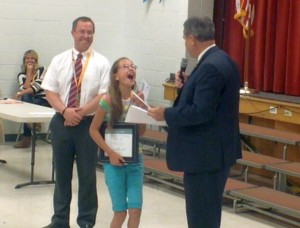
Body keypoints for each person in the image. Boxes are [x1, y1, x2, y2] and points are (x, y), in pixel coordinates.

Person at [148, 16, 242, 228]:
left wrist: (166, 114)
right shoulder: (223, 60)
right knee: (208, 212)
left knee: (201, 216)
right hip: (216, 152)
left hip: (205, 156)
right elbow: (211, 102)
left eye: (184, 39)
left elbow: (202, 111)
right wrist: (187, 88)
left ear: (192, 39)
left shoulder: (209, 67)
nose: (185, 43)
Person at [41, 16, 110, 228]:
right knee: (61, 175)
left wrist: (78, 112)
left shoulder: (102, 62)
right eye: (82, 31)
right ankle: (60, 221)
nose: (86, 36)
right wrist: (64, 110)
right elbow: (50, 90)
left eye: (90, 32)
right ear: (73, 33)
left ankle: (86, 221)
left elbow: (104, 95)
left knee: (87, 176)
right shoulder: (59, 60)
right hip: (62, 122)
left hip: (89, 125)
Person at [89, 57, 146, 228]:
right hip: (113, 162)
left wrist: (140, 109)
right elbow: (93, 130)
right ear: (116, 76)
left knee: (135, 210)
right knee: (120, 212)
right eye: (125, 66)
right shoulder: (107, 100)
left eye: (133, 66)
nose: (131, 69)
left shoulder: (138, 99)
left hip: (135, 160)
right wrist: (111, 153)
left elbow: (141, 132)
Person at [13, 49, 50, 148]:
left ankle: (26, 138)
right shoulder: (21, 75)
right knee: (27, 98)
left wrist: (19, 93)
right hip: (31, 101)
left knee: (26, 102)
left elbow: (36, 88)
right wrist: (29, 74)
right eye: (27, 58)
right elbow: (24, 88)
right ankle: (33, 122)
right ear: (24, 60)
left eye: (32, 58)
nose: (30, 60)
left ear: (36, 60)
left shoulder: (42, 70)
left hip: (44, 100)